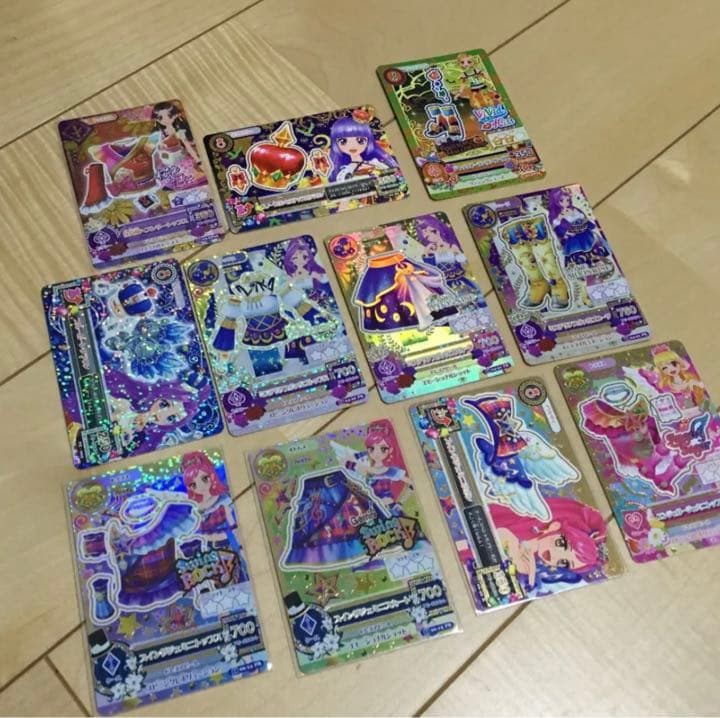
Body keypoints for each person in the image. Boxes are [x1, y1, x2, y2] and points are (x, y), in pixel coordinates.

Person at [489, 496, 608, 589]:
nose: (555, 556)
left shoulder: (528, 568)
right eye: (561, 544)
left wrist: (530, 577)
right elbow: (498, 535)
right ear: (555, 526)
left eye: (564, 562)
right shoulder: (514, 527)